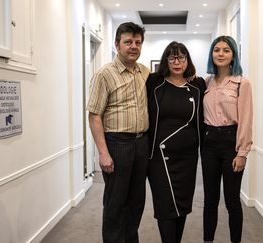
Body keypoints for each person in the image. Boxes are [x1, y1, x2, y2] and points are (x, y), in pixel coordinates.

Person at [86, 22, 149, 243]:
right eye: (128, 42)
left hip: (142, 144)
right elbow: (94, 115)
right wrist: (103, 153)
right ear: (117, 44)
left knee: (137, 201)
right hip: (117, 144)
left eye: (138, 42)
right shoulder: (104, 74)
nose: (133, 46)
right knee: (115, 202)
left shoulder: (144, 72)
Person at [146, 41, 206, 243]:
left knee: (182, 205)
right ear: (166, 61)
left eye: (181, 57)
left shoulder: (197, 85)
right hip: (159, 158)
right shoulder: (154, 82)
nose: (177, 62)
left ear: (187, 60)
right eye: (171, 57)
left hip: (188, 159)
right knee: (165, 206)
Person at [201, 36, 253, 243]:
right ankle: (208, 240)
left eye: (226, 50)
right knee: (209, 200)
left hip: (231, 143)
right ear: (211, 54)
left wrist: (242, 152)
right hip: (209, 143)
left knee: (232, 200)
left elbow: (247, 120)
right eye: (216, 50)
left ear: (233, 55)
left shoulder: (242, 83)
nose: (220, 54)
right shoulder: (207, 82)